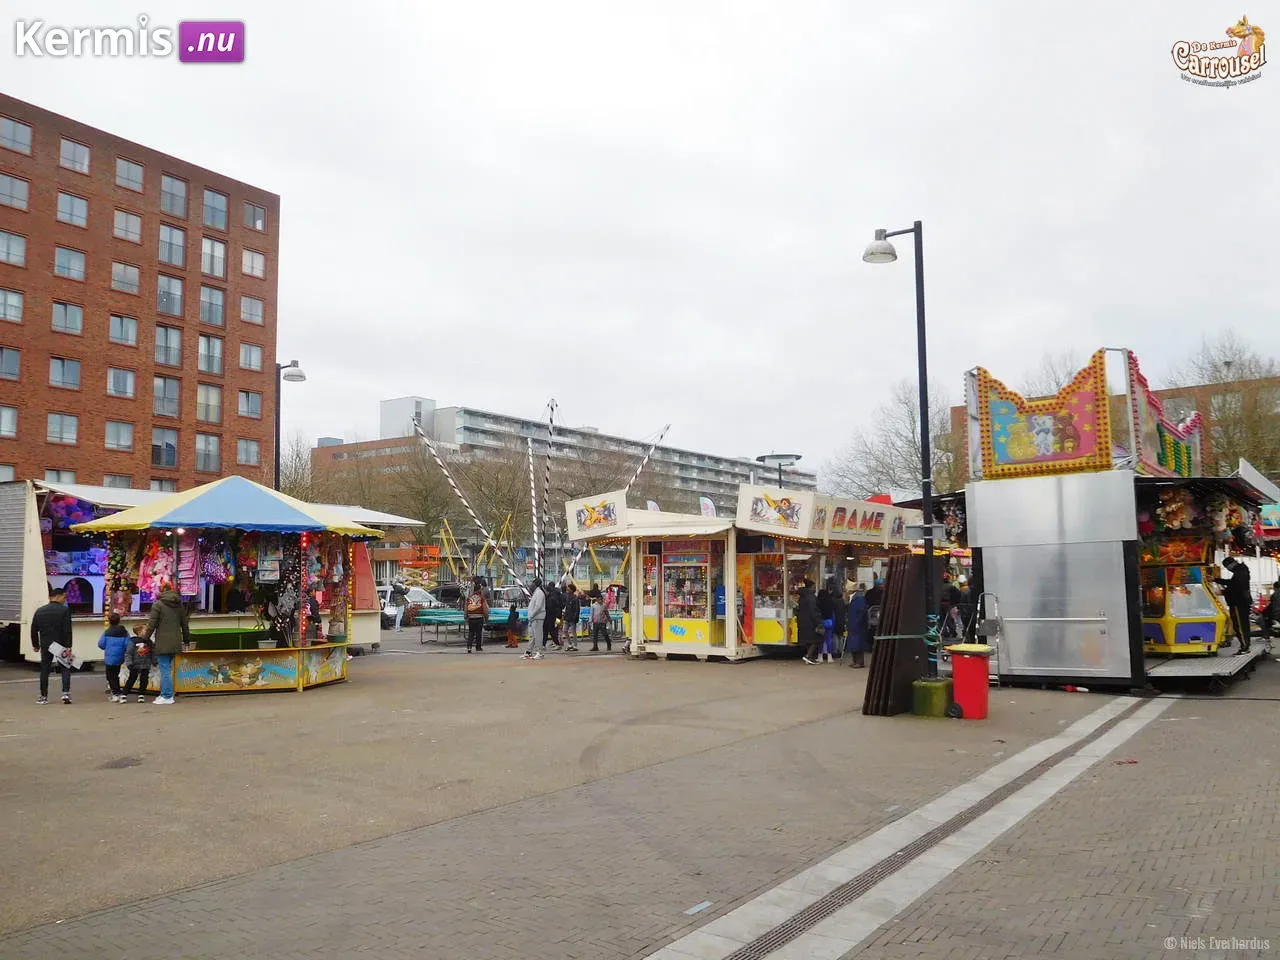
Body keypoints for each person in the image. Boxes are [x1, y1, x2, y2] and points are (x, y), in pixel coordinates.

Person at [141, 582, 190, 705]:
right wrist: (186, 640)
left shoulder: (158, 605)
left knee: (165, 670)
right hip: (176, 640)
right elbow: (184, 624)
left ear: (161, 591)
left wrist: (144, 639)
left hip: (162, 641)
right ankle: (164, 694)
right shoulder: (179, 604)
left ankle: (167, 696)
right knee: (168, 668)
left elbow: (151, 624)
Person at [32, 586, 74, 704]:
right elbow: (67, 629)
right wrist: (69, 645)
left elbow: (34, 629)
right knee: (65, 667)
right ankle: (65, 693)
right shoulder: (65, 610)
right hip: (61, 643)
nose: (65, 600)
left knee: (45, 669)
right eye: (64, 597)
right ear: (58, 596)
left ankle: (43, 696)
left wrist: (36, 644)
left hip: (45, 643)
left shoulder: (40, 611)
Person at [1214, 557, 1253, 653]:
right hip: (1241, 602)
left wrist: (1223, 592)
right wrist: (1216, 579)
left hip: (1238, 603)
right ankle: (1245, 645)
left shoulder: (1240, 572)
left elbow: (1237, 587)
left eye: (1227, 567)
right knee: (1242, 625)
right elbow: (1232, 583)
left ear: (1230, 565)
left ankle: (1245, 647)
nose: (1227, 569)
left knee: (1240, 625)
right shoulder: (1241, 571)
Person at [98, 612, 131, 703]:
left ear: (109, 621)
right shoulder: (125, 632)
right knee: (116, 675)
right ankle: (118, 691)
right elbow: (128, 644)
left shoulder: (107, 632)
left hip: (109, 657)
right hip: (120, 657)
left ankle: (116, 694)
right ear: (119, 621)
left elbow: (101, 644)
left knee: (110, 676)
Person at [122, 625, 154, 702]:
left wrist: (154, 661)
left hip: (146, 664)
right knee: (131, 679)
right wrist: (129, 663)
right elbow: (128, 653)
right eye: (145, 630)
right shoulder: (133, 641)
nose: (147, 632)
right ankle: (124, 694)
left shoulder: (149, 642)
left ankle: (141, 694)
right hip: (135, 664)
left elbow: (152, 652)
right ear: (139, 632)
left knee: (144, 680)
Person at [797, 579, 823, 664]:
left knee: (809, 640)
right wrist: (818, 622)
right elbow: (813, 611)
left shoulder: (802, 596)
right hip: (811, 623)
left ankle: (809, 657)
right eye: (814, 587)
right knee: (816, 639)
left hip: (803, 621)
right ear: (811, 587)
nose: (815, 588)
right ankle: (808, 656)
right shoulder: (811, 597)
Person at [847, 584, 871, 668]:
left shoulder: (859, 598)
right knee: (853, 643)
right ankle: (855, 661)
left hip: (858, 625)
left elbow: (862, 612)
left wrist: (857, 622)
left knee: (858, 643)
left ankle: (860, 662)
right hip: (852, 623)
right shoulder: (852, 598)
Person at [463, 577, 489, 653]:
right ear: (479, 590)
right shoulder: (481, 598)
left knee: (471, 632)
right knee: (478, 633)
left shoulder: (469, 598)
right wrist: (486, 617)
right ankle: (478, 647)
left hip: (471, 617)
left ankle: (469, 647)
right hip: (479, 617)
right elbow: (485, 609)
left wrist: (465, 616)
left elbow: (466, 608)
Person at [524, 578, 547, 661]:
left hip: (537, 617)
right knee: (533, 636)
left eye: (532, 583)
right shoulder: (536, 593)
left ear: (535, 584)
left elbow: (538, 606)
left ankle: (540, 652)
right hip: (534, 618)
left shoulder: (539, 593)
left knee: (538, 636)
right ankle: (528, 652)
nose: (530, 585)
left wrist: (532, 615)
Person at [817, 581, 837, 663]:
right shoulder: (830, 601)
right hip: (829, 622)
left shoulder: (818, 603)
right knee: (829, 639)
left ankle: (820, 657)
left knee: (820, 640)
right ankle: (829, 657)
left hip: (821, 622)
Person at [544, 582, 565, 650]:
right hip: (558, 615)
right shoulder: (559, 594)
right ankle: (557, 642)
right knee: (557, 628)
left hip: (553, 615)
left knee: (554, 629)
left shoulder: (552, 596)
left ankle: (558, 642)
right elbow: (562, 604)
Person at [562, 584, 582, 652]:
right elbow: (566, 607)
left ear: (572, 590)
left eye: (569, 588)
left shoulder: (575, 599)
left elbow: (577, 609)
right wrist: (564, 615)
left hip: (572, 618)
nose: (567, 589)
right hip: (567, 617)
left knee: (573, 632)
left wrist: (575, 617)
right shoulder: (567, 597)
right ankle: (570, 644)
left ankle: (575, 645)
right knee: (565, 630)